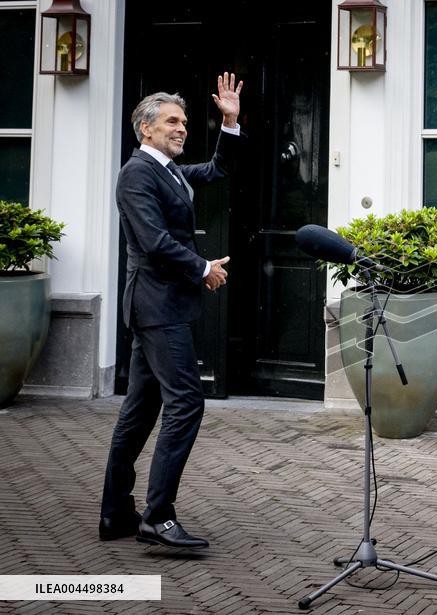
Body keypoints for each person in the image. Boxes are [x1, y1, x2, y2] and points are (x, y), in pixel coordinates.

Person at [99, 73, 245, 549]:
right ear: (146, 128)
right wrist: (203, 268)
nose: (181, 129)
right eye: (171, 122)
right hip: (156, 306)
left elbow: (219, 170)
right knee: (186, 402)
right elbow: (154, 242)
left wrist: (229, 122)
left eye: (183, 122)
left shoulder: (169, 170)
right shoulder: (138, 173)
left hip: (163, 306)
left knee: (141, 410)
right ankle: (157, 516)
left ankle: (116, 513)